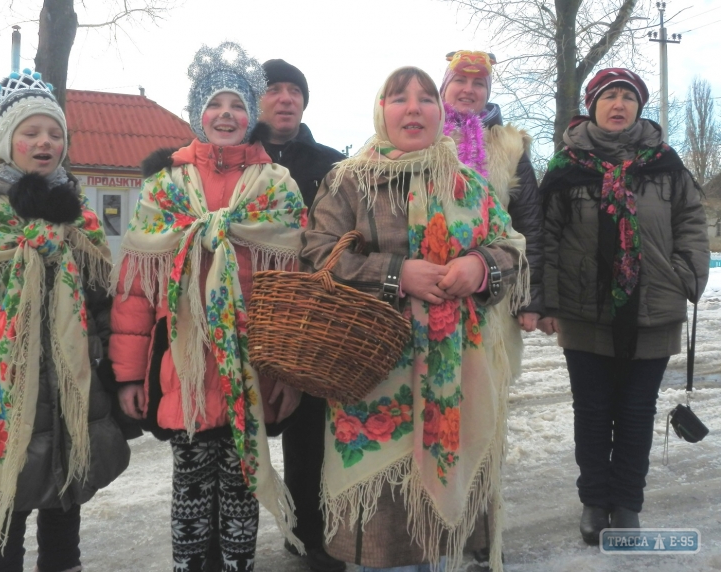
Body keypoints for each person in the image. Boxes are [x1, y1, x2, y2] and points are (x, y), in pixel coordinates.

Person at [300, 66, 528, 572]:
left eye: (426, 98)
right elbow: (318, 257)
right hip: (375, 372)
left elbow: (511, 246)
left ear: (439, 112)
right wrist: (396, 275)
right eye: (399, 97)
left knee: (449, 522)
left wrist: (480, 266)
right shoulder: (350, 181)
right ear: (381, 110)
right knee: (386, 533)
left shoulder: (470, 184)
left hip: (457, 375)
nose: (413, 107)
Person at [109, 42, 306, 572]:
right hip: (184, 367)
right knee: (191, 487)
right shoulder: (166, 187)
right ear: (199, 113)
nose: (226, 114)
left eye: (237, 104)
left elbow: (295, 293)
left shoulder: (277, 188)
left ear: (251, 116)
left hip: (251, 366)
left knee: (243, 487)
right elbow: (134, 291)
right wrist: (129, 376)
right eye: (215, 104)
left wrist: (289, 372)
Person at [0, 68, 130, 572]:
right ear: (7, 142)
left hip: (71, 398)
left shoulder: (79, 220)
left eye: (55, 133)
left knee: (66, 508)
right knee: (2, 518)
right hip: (2, 404)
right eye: (31, 132)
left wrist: (121, 381)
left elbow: (105, 312)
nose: (45, 142)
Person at [538, 68, 709, 545]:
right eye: (609, 96)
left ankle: (627, 504)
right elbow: (547, 239)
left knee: (636, 411)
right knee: (592, 410)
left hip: (653, 308)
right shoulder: (565, 166)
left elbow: (692, 223)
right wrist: (547, 301)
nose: (619, 104)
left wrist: (685, 275)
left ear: (639, 107)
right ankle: (594, 501)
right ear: (592, 105)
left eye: (628, 97)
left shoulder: (667, 165)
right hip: (582, 309)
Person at [438, 49, 544, 564]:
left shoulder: (510, 144)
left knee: (485, 415)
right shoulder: (421, 135)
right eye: (461, 81)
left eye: (479, 84)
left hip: (495, 300)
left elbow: (531, 223)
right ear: (445, 85)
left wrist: (532, 298)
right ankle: (435, 524)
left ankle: (481, 531)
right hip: (432, 297)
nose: (469, 91)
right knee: (435, 413)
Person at [257, 58, 347, 572]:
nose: (286, 98)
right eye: (275, 89)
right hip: (242, 311)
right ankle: (228, 541)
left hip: (309, 317)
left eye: (295, 90)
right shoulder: (237, 156)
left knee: (309, 434)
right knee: (236, 434)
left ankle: (309, 537)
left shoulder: (331, 164)